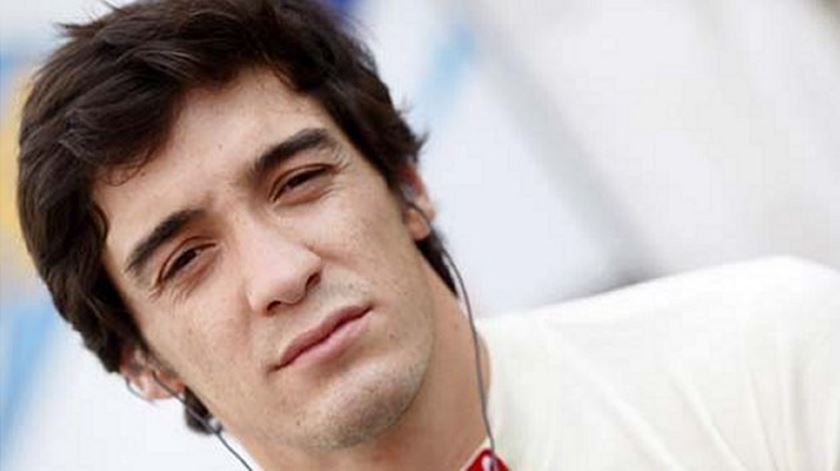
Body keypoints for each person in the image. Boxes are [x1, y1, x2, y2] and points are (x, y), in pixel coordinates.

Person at [15, 0, 839, 470]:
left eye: (298, 182)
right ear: (143, 361)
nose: (281, 273)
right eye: (188, 259)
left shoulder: (770, 357)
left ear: (407, 185)